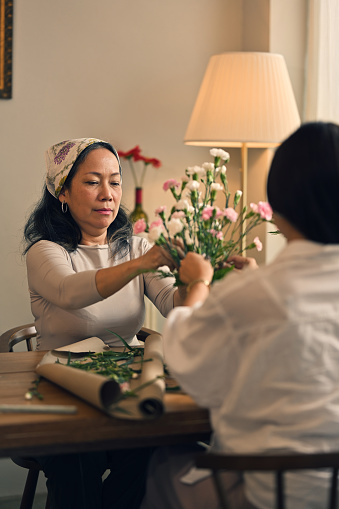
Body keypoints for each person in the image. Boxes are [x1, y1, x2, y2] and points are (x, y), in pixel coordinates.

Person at [140, 122, 339, 509]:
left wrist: (199, 283)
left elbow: (185, 362)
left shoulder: (254, 293)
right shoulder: (260, 289)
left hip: (270, 494)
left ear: (277, 210)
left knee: (163, 465)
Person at [23, 137, 186, 509]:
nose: (107, 194)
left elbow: (175, 304)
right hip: (61, 392)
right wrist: (138, 265)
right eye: (92, 181)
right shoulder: (45, 251)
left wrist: (199, 276)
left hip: (124, 389)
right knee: (78, 458)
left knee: (155, 448)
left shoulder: (136, 247)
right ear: (62, 192)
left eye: (114, 181)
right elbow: (69, 292)